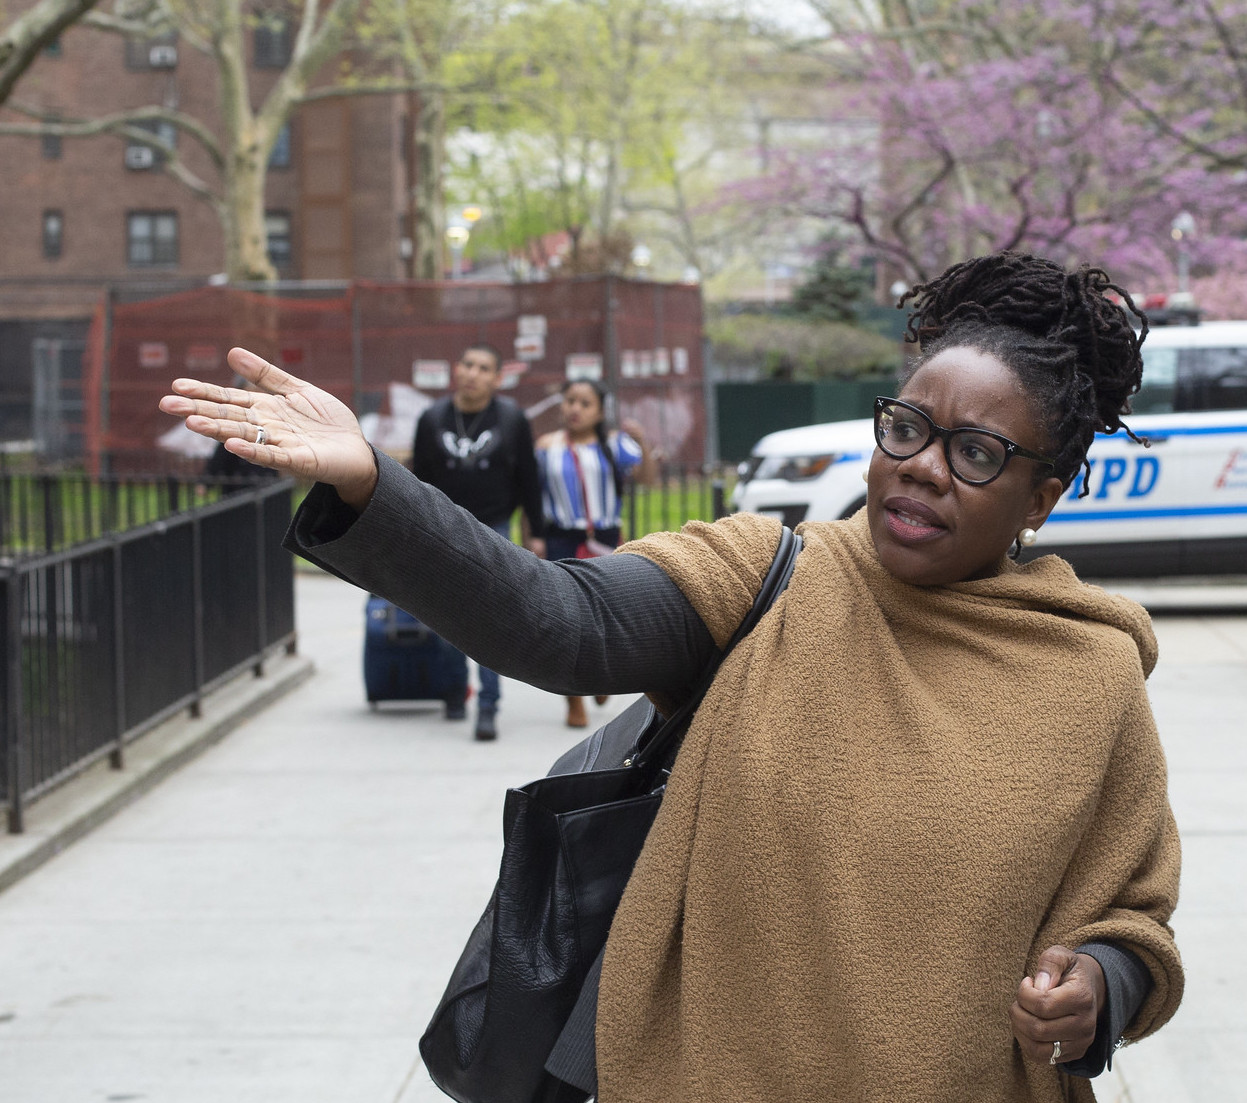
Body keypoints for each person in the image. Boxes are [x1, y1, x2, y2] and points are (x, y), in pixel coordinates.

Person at [159, 251, 1182, 1103]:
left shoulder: (1087, 672)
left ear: (1041, 494)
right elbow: (560, 620)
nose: (919, 464)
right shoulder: (768, 576)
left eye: (975, 452)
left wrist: (1096, 987)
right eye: (905, 427)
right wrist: (375, 486)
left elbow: (1131, 920)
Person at [409, 343, 546, 740]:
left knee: (491, 618)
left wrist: (536, 533)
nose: (472, 373)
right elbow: (418, 481)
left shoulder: (512, 419)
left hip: (494, 528)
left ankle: (488, 704)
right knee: (445, 614)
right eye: (467, 364)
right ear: (457, 369)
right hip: (442, 527)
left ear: (497, 378)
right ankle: (455, 690)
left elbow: (529, 480)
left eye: (483, 368)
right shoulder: (432, 419)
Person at [535, 378, 657, 728]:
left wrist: (642, 443)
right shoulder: (546, 446)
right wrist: (535, 538)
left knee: (606, 614)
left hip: (604, 537)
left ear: (601, 411)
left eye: (585, 403)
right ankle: (573, 699)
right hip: (561, 537)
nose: (575, 409)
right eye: (570, 400)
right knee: (564, 618)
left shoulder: (616, 444)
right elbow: (534, 496)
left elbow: (647, 480)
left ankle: (601, 677)